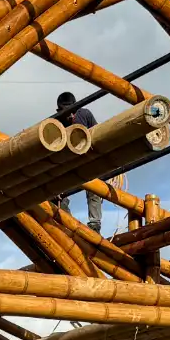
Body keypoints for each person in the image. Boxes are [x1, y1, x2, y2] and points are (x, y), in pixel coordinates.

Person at [54, 90, 103, 235]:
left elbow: (98, 134)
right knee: (57, 195)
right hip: (68, 164)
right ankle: (68, 224)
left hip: (88, 160)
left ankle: (94, 225)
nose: (70, 115)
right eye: (66, 112)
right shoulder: (56, 123)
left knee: (94, 188)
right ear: (59, 111)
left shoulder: (84, 114)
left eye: (72, 111)